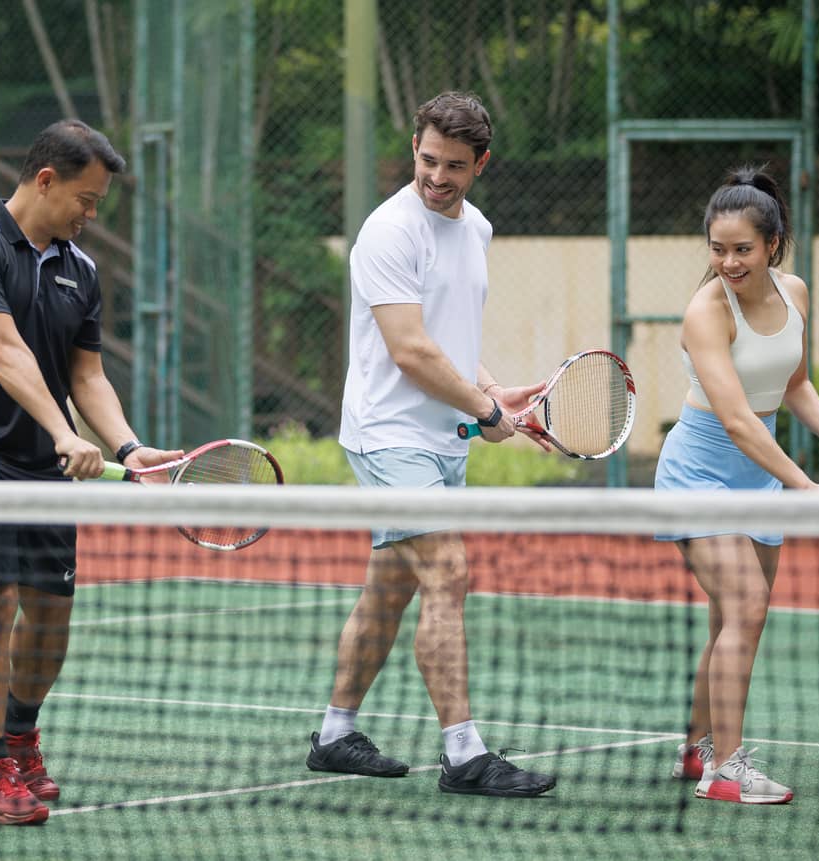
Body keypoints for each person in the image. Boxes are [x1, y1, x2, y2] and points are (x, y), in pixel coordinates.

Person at [0, 119, 182, 826]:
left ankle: (19, 739)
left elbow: (87, 374)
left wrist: (126, 447)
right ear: (46, 180)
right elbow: (5, 351)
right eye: (86, 199)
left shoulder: (82, 270)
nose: (90, 214)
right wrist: (65, 433)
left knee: (51, 610)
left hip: (43, 463)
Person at [306, 91, 557, 799]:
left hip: (441, 437)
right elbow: (410, 350)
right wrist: (485, 410)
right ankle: (464, 754)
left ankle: (334, 734)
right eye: (427, 159)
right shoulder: (389, 231)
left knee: (390, 589)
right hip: (389, 434)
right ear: (414, 147)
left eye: (454, 165)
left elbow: (447, 339)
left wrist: (494, 390)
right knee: (448, 571)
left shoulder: (476, 229)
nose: (437, 177)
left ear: (481, 163)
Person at [655, 165, 819, 804]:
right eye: (717, 249)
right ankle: (726, 769)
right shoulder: (706, 312)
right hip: (698, 474)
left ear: (772, 244)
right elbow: (736, 419)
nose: (728, 263)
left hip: (759, 477)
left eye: (742, 250)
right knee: (747, 606)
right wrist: (804, 485)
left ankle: (696, 750)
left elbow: (793, 382)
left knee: (733, 616)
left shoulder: (794, 292)